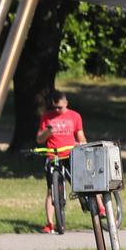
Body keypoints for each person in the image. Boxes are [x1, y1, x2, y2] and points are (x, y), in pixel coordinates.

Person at [36, 88, 86, 233]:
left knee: (84, 182)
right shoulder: (47, 117)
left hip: (70, 155)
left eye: (60, 107)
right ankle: (50, 223)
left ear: (66, 103)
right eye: (55, 107)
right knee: (51, 190)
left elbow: (80, 136)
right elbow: (39, 139)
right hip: (53, 156)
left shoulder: (74, 116)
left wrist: (83, 146)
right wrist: (48, 131)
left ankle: (101, 208)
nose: (57, 110)